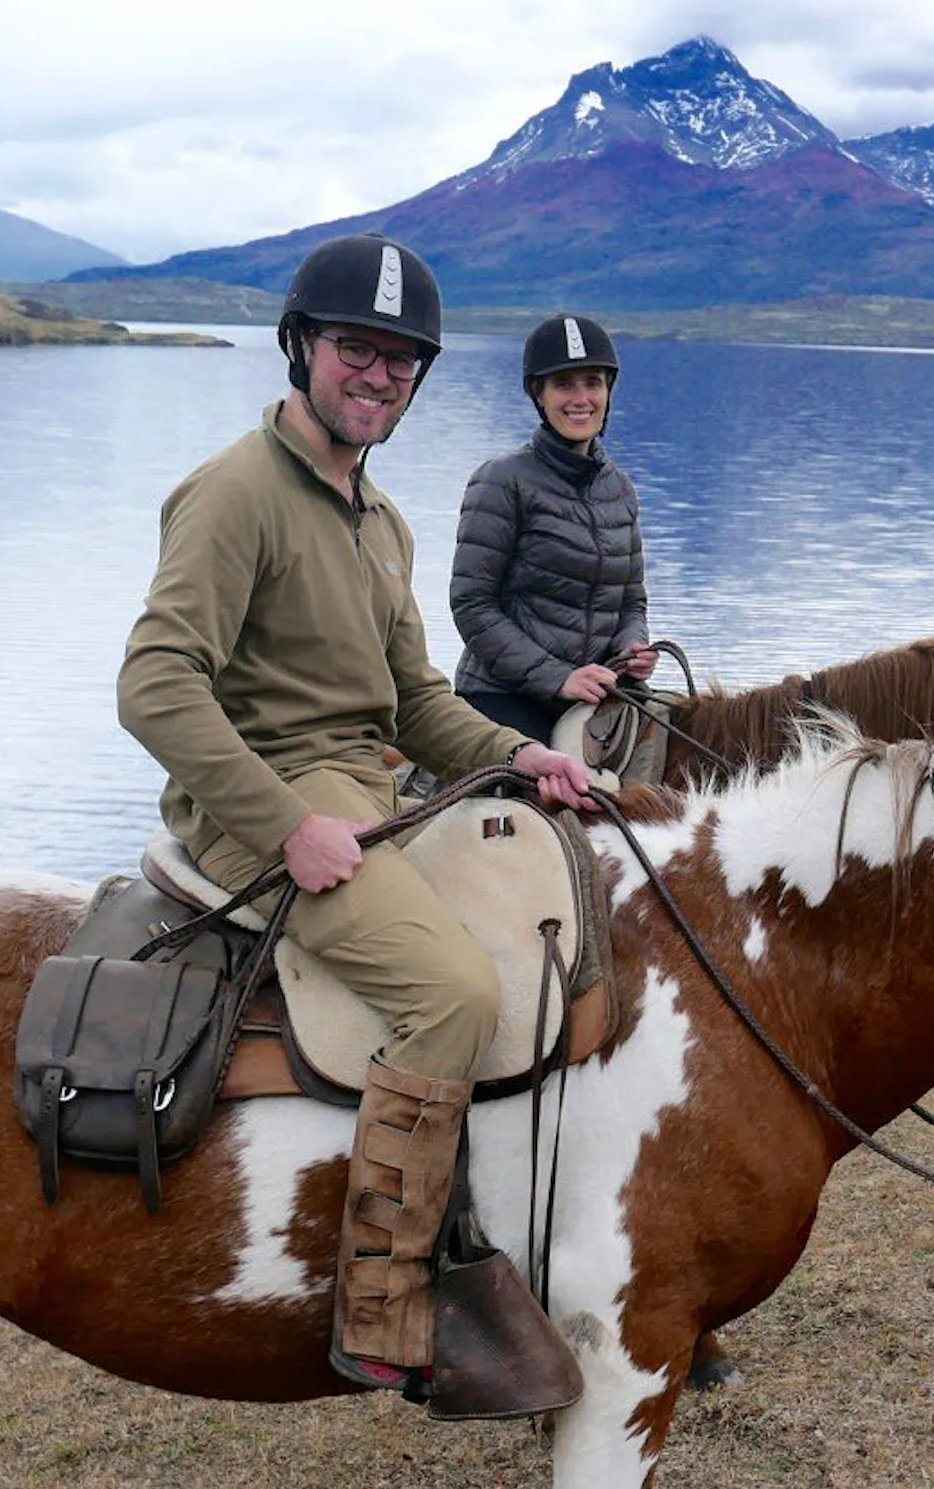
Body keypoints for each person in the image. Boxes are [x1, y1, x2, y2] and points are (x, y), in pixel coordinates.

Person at [116, 233, 594, 1421]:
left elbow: (417, 704)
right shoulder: (234, 494)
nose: (376, 377)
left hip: (368, 792)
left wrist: (520, 755)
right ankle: (383, 1307)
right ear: (303, 347)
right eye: (355, 351)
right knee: (453, 994)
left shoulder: (381, 520)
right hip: (268, 806)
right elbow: (155, 684)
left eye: (399, 362)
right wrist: (285, 828)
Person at [449, 313, 657, 746]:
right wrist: (558, 678)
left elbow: (631, 602)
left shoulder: (620, 490)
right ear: (538, 395)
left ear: (608, 391)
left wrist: (632, 650)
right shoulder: (501, 480)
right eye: (564, 384)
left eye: (593, 382)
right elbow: (472, 604)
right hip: (503, 695)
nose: (581, 398)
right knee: (529, 804)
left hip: (597, 691)